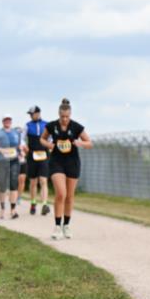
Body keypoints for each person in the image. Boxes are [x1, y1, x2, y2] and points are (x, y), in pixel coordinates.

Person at [41, 98, 92, 240]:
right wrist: (50, 145)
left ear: (70, 115)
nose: (64, 119)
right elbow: (42, 139)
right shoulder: (52, 126)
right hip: (57, 162)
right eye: (62, 117)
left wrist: (79, 143)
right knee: (61, 193)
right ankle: (57, 226)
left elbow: (89, 143)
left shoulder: (76, 127)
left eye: (67, 117)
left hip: (72, 163)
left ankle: (66, 225)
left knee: (69, 196)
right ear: (59, 114)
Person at [0, 114, 23, 219]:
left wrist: (20, 152)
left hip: (14, 161)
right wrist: (2, 150)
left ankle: (13, 210)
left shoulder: (16, 133)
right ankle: (2, 209)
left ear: (11, 121)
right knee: (2, 186)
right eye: (6, 120)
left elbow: (18, 146)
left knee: (14, 184)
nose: (8, 121)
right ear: (3, 121)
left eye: (9, 120)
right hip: (1, 162)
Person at [24, 106, 51, 215]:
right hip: (32, 155)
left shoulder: (47, 124)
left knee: (43, 180)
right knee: (33, 182)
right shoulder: (27, 125)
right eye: (30, 114)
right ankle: (33, 202)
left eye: (32, 113)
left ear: (38, 113)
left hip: (44, 155)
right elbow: (21, 138)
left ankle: (44, 204)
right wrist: (24, 147)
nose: (31, 115)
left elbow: (51, 137)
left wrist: (50, 146)